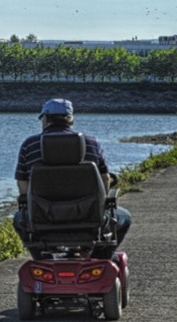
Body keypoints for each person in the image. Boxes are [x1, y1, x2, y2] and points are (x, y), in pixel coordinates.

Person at [12, 98, 131, 258]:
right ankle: (99, 258)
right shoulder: (92, 143)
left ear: (45, 119)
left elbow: (23, 187)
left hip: (44, 221)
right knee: (125, 217)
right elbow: (105, 181)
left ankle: (42, 259)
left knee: (18, 218)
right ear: (71, 119)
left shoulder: (30, 145)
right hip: (89, 220)